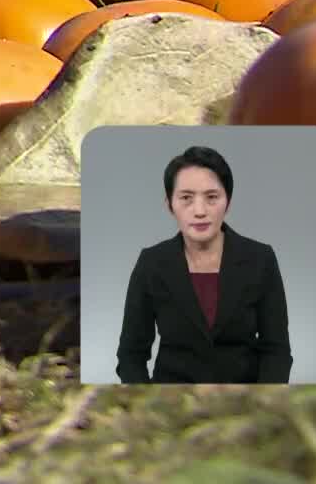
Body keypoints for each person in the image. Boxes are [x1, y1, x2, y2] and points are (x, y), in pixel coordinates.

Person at [116, 145, 292, 384]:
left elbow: (277, 349)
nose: (200, 211)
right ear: (169, 204)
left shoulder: (260, 259)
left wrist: (264, 400)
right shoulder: (152, 263)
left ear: (227, 202)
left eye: (212, 198)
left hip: (244, 399)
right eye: (186, 198)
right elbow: (130, 355)